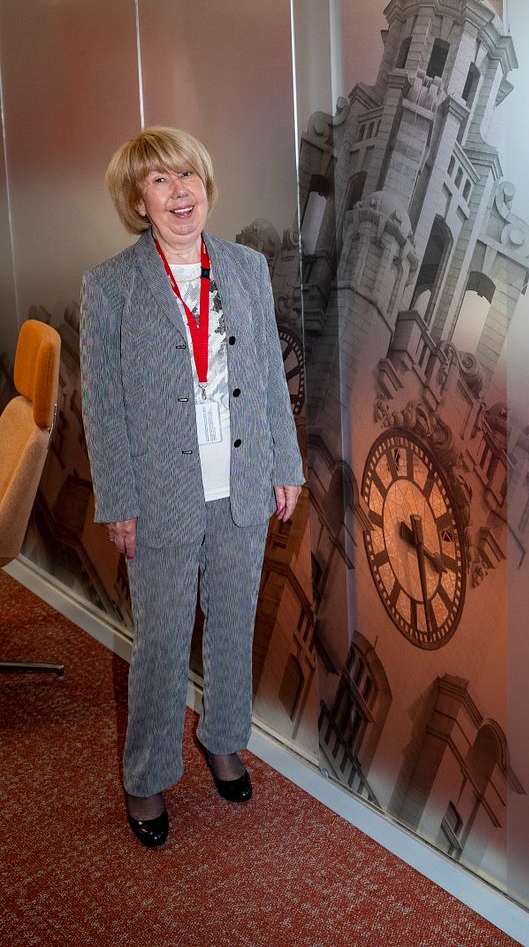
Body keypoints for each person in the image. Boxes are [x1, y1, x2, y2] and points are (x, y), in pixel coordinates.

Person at [80, 126, 303, 848]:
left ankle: (224, 736)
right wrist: (117, 501)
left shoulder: (244, 268)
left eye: (189, 177)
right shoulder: (110, 285)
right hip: (161, 494)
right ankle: (146, 775)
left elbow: (269, 375)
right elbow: (103, 404)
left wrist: (285, 465)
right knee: (163, 641)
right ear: (138, 202)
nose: (180, 193)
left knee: (235, 625)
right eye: (160, 182)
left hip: (240, 486)